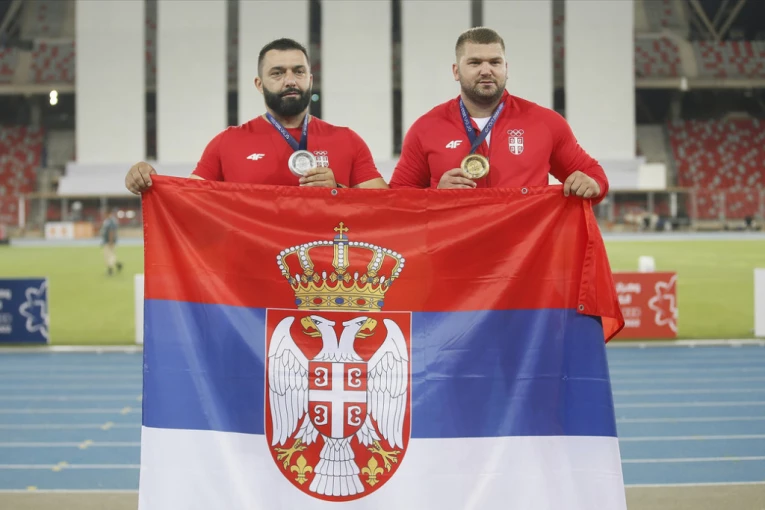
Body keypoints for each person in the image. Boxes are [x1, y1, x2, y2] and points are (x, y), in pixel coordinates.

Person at [125, 38, 388, 194]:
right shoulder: (228, 142)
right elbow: (187, 199)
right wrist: (148, 181)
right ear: (259, 84)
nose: (290, 80)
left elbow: (385, 207)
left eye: (298, 72)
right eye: (277, 73)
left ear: (310, 80)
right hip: (253, 273)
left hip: (322, 272)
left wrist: (338, 192)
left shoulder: (347, 140)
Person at [389, 27, 608, 201]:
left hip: (524, 246)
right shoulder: (426, 128)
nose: (486, 70)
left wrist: (593, 184)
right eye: (475, 63)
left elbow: (593, 173)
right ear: (456, 71)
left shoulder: (546, 123)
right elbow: (398, 196)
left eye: (495, 62)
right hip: (457, 245)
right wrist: (435, 195)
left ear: (506, 68)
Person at [100, 208, 122, 276]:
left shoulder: (111, 221)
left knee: (109, 255)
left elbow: (111, 232)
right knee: (110, 255)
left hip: (109, 241)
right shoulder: (108, 220)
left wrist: (111, 241)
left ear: (108, 213)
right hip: (106, 241)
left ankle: (110, 270)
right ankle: (118, 265)